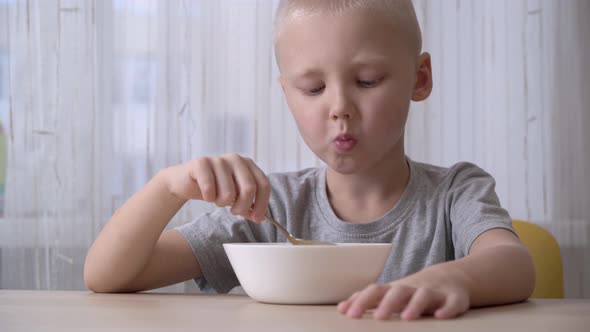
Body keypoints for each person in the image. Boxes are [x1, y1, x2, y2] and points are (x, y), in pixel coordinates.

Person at [84, 0, 535, 320]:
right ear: (287, 94)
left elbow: (515, 265)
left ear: (419, 79)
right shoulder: (269, 208)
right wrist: (168, 187)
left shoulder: (455, 193)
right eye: (313, 89)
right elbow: (108, 276)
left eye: (368, 79)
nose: (339, 106)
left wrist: (452, 281)